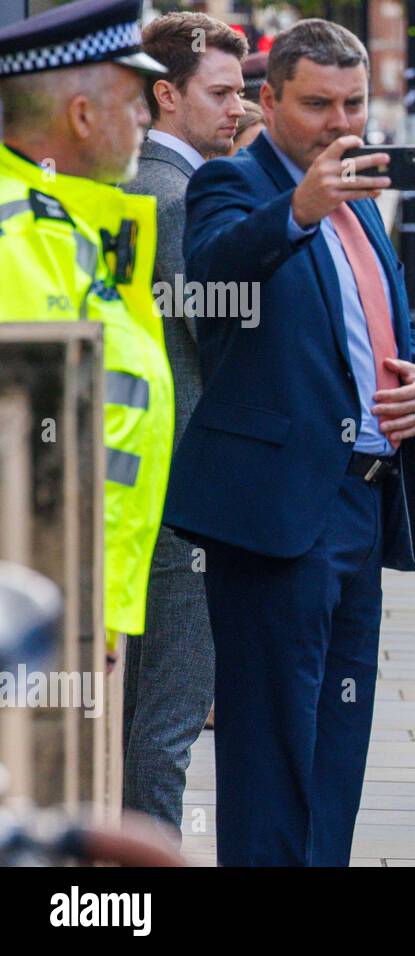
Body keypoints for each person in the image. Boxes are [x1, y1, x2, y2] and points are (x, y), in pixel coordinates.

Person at [164, 19, 415, 866]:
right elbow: (211, 280)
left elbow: (393, 331)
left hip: (363, 500)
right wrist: (298, 207)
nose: (340, 122)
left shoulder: (362, 202)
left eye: (354, 103)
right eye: (318, 104)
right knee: (270, 743)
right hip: (275, 508)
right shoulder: (231, 184)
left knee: (338, 736)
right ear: (270, 100)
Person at [0, 0, 173, 649]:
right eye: (134, 102)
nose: (146, 120)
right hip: (43, 607)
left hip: (77, 599)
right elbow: (27, 449)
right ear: (80, 115)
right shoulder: (20, 233)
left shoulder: (67, 225)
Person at [119, 10, 246, 843]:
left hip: (145, 480)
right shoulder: (178, 195)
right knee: (169, 709)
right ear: (167, 96)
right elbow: (215, 336)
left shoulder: (138, 185)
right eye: (224, 91)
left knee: (142, 704)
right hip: (184, 480)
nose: (241, 107)